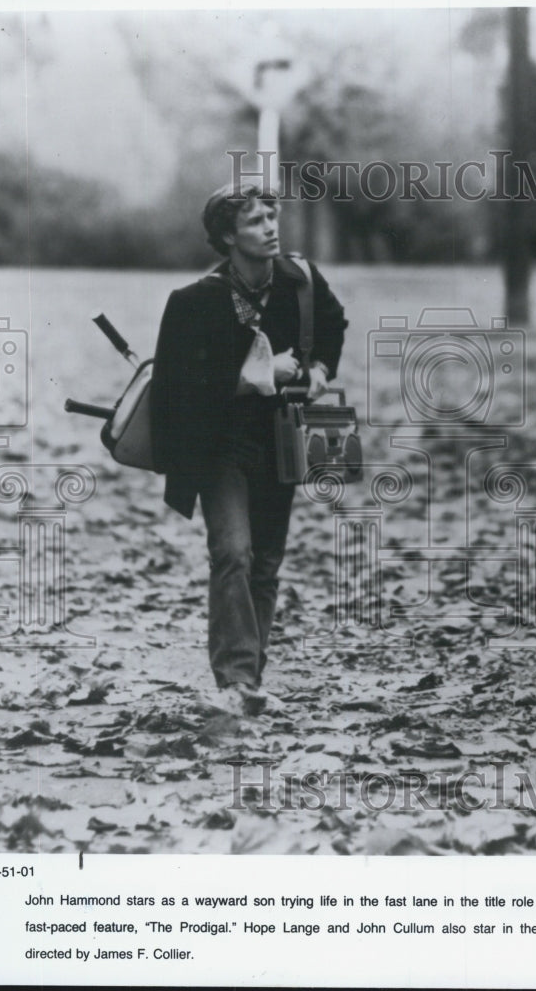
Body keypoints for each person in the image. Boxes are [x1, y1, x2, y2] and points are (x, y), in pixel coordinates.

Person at [150, 184, 348, 715]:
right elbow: (175, 389)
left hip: (280, 438)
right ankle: (236, 680)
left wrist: (320, 369)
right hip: (218, 445)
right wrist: (261, 373)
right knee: (233, 552)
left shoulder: (300, 280)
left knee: (265, 561)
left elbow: (333, 325)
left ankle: (250, 682)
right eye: (256, 221)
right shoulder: (194, 301)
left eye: (272, 216)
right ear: (227, 237)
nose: (271, 227)